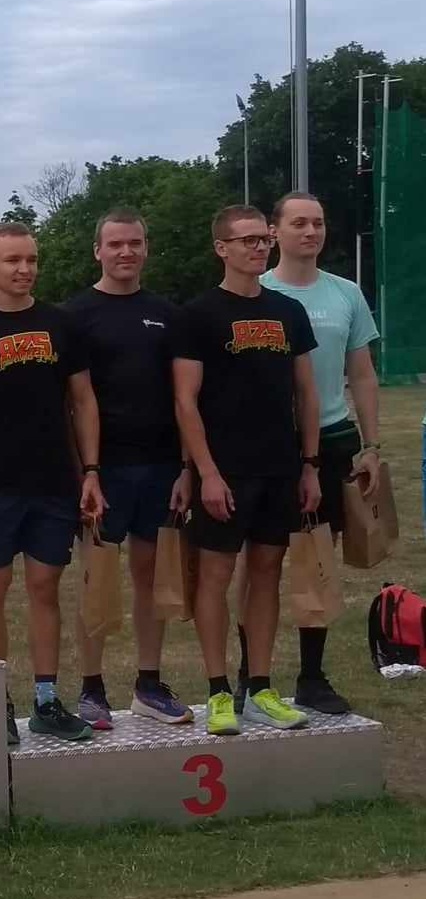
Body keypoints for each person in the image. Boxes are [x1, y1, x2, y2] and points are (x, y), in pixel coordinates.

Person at [0, 220, 104, 745]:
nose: (24, 269)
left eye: (31, 259)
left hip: (54, 482)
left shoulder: (62, 325)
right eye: (13, 260)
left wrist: (90, 472)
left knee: (44, 589)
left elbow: (83, 401)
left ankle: (46, 700)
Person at [173, 204, 321, 737]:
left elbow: (306, 394)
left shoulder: (289, 311)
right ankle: (218, 691)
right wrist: (207, 472)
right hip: (225, 470)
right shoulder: (197, 315)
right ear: (222, 248)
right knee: (214, 576)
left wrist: (310, 465)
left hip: (279, 467)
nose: (259, 248)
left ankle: (258, 688)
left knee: (266, 573)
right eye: (248, 240)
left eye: (264, 239)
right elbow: (186, 402)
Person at [62, 209, 192, 729]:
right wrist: (83, 470)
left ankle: (148, 684)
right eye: (115, 244)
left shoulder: (168, 314)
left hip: (159, 465)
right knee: (97, 577)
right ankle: (91, 689)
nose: (126, 252)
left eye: (134, 243)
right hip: (103, 469)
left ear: (146, 248)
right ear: (98, 250)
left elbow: (185, 398)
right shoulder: (74, 316)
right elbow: (70, 402)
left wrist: (186, 468)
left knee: (151, 576)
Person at [261, 190, 381, 714]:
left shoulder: (346, 293)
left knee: (316, 561)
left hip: (331, 439)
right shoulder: (256, 290)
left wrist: (371, 445)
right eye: (299, 223)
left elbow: (363, 373)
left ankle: (312, 677)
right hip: (266, 443)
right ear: (274, 232)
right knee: (261, 562)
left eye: (318, 222)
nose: (311, 232)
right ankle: (252, 679)